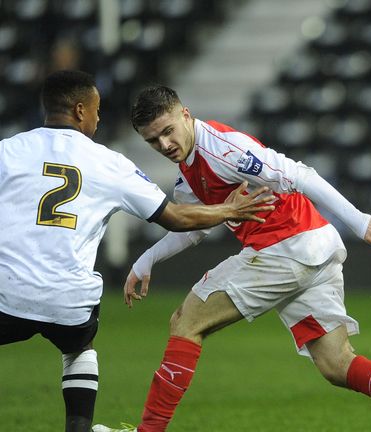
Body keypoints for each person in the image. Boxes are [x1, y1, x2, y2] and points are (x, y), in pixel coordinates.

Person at [91, 85, 371, 432]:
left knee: (186, 321)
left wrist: (357, 220)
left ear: (185, 115)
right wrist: (147, 259)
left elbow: (299, 173)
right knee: (336, 363)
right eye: (153, 140)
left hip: (286, 249)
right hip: (313, 251)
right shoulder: (189, 173)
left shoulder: (223, 149)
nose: (164, 144)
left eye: (168, 131)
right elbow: (195, 226)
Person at [0, 70, 276, 432]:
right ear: (81, 110)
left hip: (6, 291)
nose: (98, 120)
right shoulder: (109, 163)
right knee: (78, 350)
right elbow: (176, 217)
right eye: (97, 111)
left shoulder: (8, 150)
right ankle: (78, 427)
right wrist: (230, 210)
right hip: (68, 300)